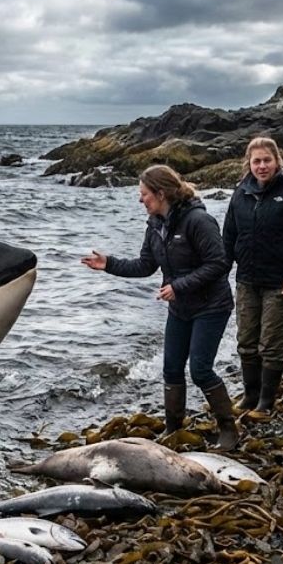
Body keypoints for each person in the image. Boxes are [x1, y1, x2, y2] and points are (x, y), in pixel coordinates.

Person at [82, 164, 239, 451]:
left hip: (211, 306)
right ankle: (173, 428)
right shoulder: (155, 224)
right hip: (181, 308)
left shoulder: (197, 221)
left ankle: (228, 428)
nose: (140, 199)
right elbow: (145, 265)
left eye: (144, 194)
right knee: (171, 369)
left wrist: (179, 286)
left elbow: (218, 264)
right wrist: (109, 265)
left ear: (161, 193)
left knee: (201, 370)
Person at [223, 138, 283, 414]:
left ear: (278, 161)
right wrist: (221, 270)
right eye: (256, 161)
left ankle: (266, 402)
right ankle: (250, 396)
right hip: (247, 279)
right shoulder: (241, 192)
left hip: (282, 281)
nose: (262, 166)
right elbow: (229, 236)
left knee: (271, 345)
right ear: (249, 164)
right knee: (246, 341)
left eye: (267, 160)